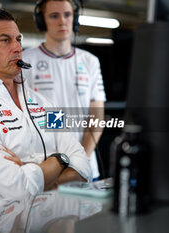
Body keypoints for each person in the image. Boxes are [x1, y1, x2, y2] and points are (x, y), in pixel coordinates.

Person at [0, 4, 91, 232]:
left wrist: (35, 171)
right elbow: (18, 187)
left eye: (18, 39)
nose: (17, 48)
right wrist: (61, 160)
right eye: (5, 40)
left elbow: (83, 166)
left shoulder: (47, 104)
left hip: (52, 219)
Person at [22, 0, 106, 180]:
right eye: (54, 15)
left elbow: (97, 117)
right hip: (44, 169)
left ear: (75, 19)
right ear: (42, 21)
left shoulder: (90, 61)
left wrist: (80, 160)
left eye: (67, 14)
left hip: (86, 168)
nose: (62, 21)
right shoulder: (26, 60)